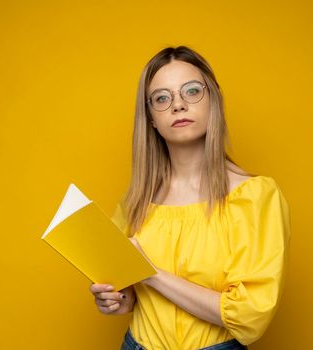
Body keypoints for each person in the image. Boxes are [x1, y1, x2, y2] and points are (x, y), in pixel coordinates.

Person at [89, 46, 291, 350]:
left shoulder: (255, 197)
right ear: (152, 119)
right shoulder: (137, 200)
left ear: (214, 103)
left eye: (192, 91)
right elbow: (130, 293)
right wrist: (116, 300)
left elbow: (250, 314)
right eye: (162, 98)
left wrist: (152, 274)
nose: (178, 105)